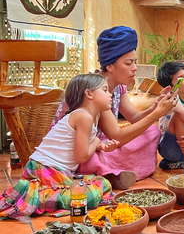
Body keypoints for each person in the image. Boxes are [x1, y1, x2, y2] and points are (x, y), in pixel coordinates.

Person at [51, 26, 178, 189]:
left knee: (151, 132)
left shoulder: (118, 86)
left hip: (100, 144)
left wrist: (156, 106)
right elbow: (117, 136)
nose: (135, 68)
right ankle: (107, 172)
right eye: (128, 63)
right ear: (110, 65)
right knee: (93, 158)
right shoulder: (96, 90)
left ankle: (114, 171)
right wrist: (156, 115)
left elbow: (134, 117)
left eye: (135, 62)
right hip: (79, 151)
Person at [0, 74, 117, 218]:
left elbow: (80, 146)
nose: (110, 94)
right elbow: (80, 157)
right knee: (91, 194)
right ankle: (37, 199)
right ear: (89, 94)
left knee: (102, 184)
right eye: (105, 90)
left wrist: (100, 147)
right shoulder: (83, 116)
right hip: (44, 170)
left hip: (57, 171)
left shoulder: (91, 116)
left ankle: (40, 195)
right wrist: (97, 142)